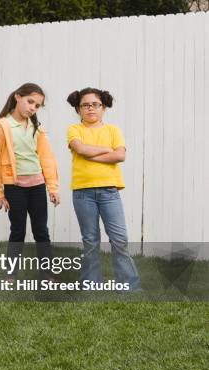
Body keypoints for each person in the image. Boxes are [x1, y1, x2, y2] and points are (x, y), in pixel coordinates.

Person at [66, 87, 141, 290]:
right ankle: (91, 284)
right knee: (90, 240)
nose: (91, 109)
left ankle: (129, 285)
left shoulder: (113, 131)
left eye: (95, 104)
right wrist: (107, 150)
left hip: (109, 192)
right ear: (79, 109)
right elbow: (80, 149)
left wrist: (93, 154)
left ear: (103, 107)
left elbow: (120, 156)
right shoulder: (74, 130)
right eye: (85, 105)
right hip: (83, 193)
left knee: (119, 239)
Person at [0, 83, 60, 279]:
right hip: (15, 187)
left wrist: (52, 188)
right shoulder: (2, 126)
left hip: (37, 186)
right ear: (18, 97)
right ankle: (11, 274)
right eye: (30, 102)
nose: (32, 108)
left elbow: (47, 158)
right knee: (17, 230)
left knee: (41, 231)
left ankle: (47, 273)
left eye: (37, 106)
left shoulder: (37, 128)